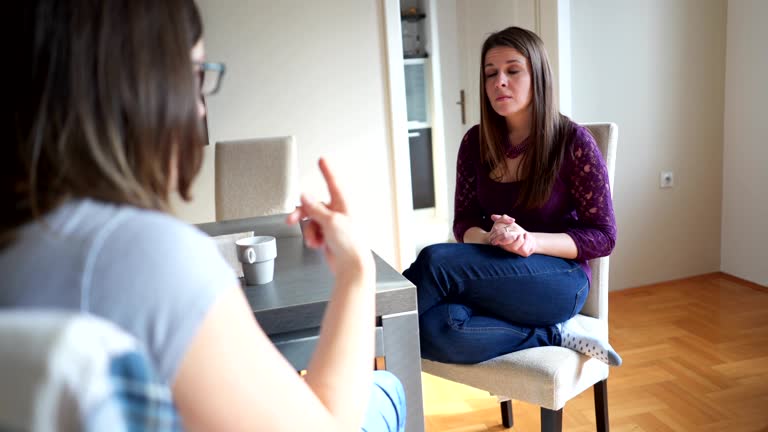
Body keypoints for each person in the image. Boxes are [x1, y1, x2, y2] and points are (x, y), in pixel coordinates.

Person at [1, 1, 405, 431]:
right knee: (385, 389)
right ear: (139, 84)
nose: (199, 109)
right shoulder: (142, 254)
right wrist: (356, 272)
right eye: (195, 75)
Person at [402, 26, 622, 367]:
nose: (498, 82)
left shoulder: (574, 142)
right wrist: (492, 237)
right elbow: (464, 222)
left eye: (512, 70)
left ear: (538, 76)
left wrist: (529, 240)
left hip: (560, 281)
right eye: (490, 74)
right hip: (496, 274)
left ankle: (363, 337)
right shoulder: (474, 142)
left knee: (434, 261)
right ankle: (554, 335)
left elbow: (603, 237)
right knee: (434, 328)